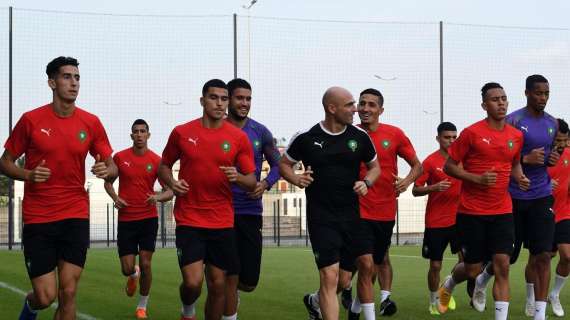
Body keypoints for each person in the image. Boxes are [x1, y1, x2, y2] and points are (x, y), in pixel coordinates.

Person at [0, 56, 117, 320]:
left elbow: (112, 166)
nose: (74, 83)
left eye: (77, 77)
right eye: (67, 77)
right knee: (45, 296)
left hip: (74, 215)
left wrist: (106, 170)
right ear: (52, 83)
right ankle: (30, 308)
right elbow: (4, 163)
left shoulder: (91, 122)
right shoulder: (30, 120)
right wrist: (28, 174)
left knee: (69, 292)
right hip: (38, 217)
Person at [158, 79, 257, 320]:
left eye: (224, 99)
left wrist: (238, 178)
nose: (220, 103)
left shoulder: (238, 138)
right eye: (214, 98)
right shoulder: (182, 132)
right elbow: (164, 166)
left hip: (222, 221)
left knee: (218, 285)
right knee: (193, 283)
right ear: (202, 101)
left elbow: (252, 181)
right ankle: (188, 309)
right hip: (189, 219)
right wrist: (171, 183)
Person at [279, 87, 380, 320]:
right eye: (349, 105)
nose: (355, 109)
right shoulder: (306, 137)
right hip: (321, 218)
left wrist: (366, 182)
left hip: (352, 217)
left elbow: (375, 168)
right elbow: (284, 164)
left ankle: (313, 302)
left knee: (352, 275)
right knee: (330, 276)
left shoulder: (359, 137)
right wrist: (296, 178)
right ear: (331, 108)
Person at [438, 82, 528, 320]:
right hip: (472, 211)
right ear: (484, 105)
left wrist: (520, 177)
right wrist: (476, 178)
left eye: (504, 98)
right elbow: (449, 166)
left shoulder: (516, 136)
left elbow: (515, 162)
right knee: (472, 269)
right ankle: (448, 285)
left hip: (502, 210)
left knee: (502, 265)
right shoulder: (471, 133)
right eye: (495, 99)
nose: (501, 102)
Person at [472, 75, 559, 320]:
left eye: (547, 94)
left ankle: (539, 314)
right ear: (527, 93)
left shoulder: (552, 123)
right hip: (511, 197)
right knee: (506, 258)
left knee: (543, 255)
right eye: (538, 93)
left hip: (541, 194)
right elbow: (497, 158)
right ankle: (482, 280)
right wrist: (524, 159)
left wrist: (550, 159)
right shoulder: (512, 121)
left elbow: (549, 155)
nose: (543, 98)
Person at [351, 88, 422, 317]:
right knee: (366, 263)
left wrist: (406, 182)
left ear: (381, 110)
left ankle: (354, 307)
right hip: (357, 210)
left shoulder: (394, 134)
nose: (365, 109)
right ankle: (373, 307)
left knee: (374, 264)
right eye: (362, 103)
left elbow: (417, 166)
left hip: (385, 210)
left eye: (372, 105)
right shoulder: (350, 134)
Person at [223, 78, 281, 320]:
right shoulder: (217, 129)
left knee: (249, 282)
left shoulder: (260, 131)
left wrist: (265, 183)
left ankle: (230, 292)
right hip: (221, 212)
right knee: (228, 272)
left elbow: (279, 164)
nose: (244, 103)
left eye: (248, 99)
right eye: (239, 98)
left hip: (250, 211)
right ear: (228, 100)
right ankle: (227, 306)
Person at [103, 119, 173, 319]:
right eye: (136, 131)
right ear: (131, 135)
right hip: (126, 220)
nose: (140, 135)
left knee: (146, 263)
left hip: (148, 219)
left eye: (143, 131)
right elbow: (108, 184)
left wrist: (157, 197)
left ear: (148, 135)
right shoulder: (120, 158)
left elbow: (170, 191)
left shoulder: (157, 161)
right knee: (127, 268)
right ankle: (133, 275)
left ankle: (142, 306)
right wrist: (116, 198)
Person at [412, 121, 462, 315]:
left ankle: (447, 289)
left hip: (460, 220)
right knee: (435, 265)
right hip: (436, 221)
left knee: (466, 263)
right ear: (438, 139)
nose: (451, 140)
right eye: (447, 137)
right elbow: (416, 189)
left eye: (454, 137)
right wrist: (433, 187)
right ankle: (434, 301)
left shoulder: (462, 159)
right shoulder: (431, 161)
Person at [547, 118, 570, 317]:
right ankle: (532, 299)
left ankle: (554, 295)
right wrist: (545, 183)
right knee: (544, 258)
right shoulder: (538, 156)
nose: (561, 145)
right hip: (542, 213)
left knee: (567, 256)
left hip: (564, 212)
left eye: (565, 140)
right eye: (558, 141)